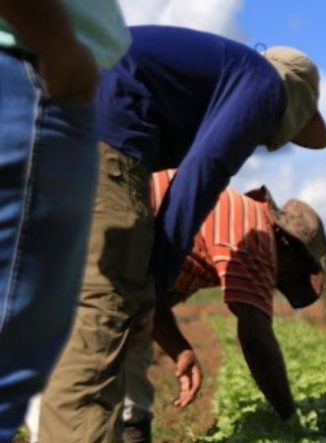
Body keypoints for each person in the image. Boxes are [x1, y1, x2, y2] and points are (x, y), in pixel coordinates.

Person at [39, 25, 326, 442]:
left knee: (75, 317)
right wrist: (291, 421)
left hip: (53, 121)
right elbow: (201, 176)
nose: (273, 143)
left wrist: (158, 313)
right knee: (102, 324)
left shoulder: (227, 76)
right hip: (99, 136)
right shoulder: (266, 87)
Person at [26, 170, 326, 442]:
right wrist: (291, 421)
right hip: (87, 241)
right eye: (295, 274)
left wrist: (179, 348)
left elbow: (147, 294)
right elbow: (255, 338)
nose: (279, 282)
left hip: (103, 243)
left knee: (128, 355)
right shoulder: (259, 238)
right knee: (75, 372)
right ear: (291, 252)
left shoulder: (236, 219)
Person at [0, 1, 129, 440]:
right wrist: (57, 44)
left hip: (36, 59)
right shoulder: (258, 87)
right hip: (29, 68)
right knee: (10, 352)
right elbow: (203, 172)